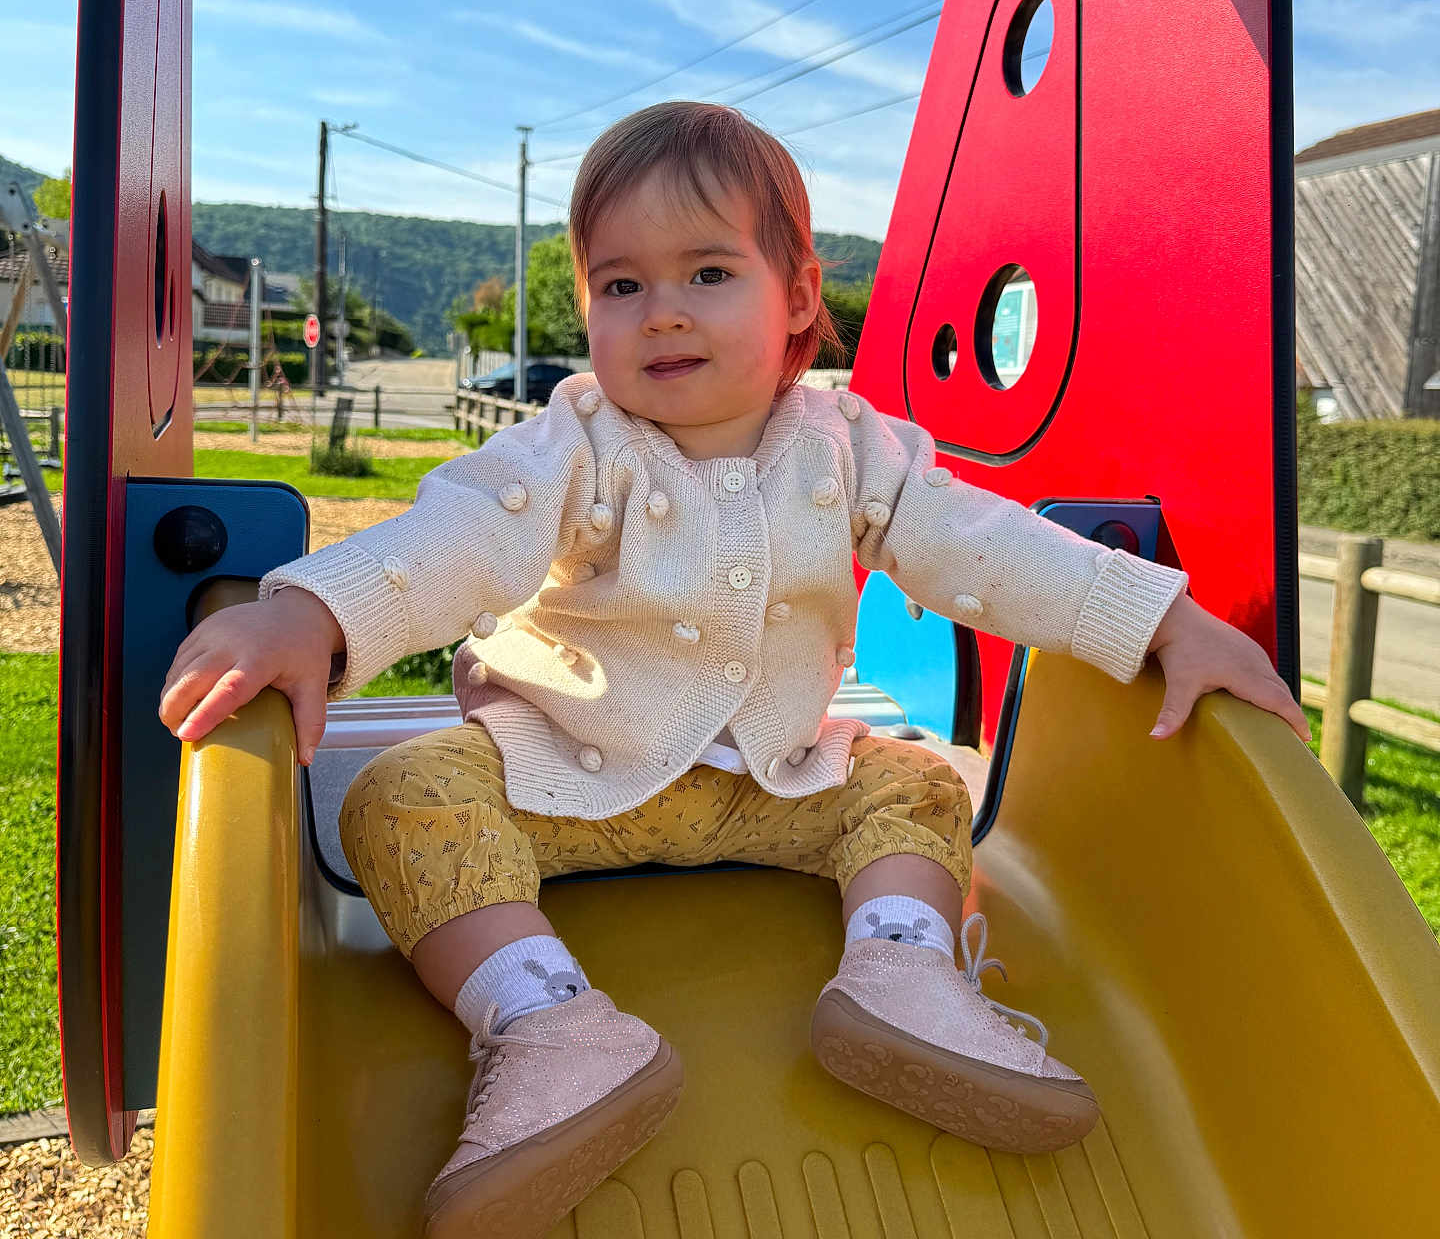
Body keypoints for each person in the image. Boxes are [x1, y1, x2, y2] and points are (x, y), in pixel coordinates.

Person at [160, 102, 1309, 1239]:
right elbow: (462, 537)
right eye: (620, 287)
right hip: (566, 770)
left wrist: (1163, 622)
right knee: (400, 798)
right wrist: (314, 610)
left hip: (776, 783)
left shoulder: (852, 449)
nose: (660, 314)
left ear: (799, 295)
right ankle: (545, 1025)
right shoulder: (575, 443)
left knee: (914, 785)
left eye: (707, 273)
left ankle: (902, 978)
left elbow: (987, 551)